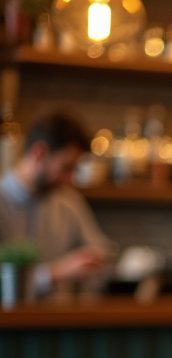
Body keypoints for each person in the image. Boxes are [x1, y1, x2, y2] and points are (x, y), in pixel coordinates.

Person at [0, 113, 115, 296]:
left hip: (60, 321)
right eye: (66, 167)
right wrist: (54, 273)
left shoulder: (69, 200)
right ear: (39, 153)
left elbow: (101, 249)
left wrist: (96, 259)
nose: (70, 179)